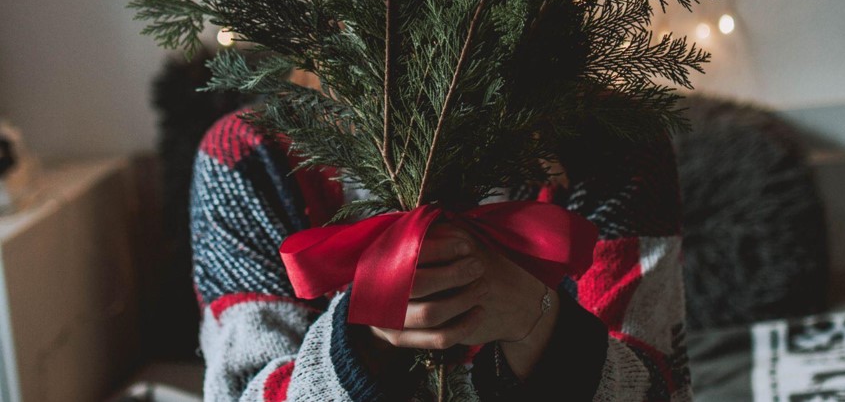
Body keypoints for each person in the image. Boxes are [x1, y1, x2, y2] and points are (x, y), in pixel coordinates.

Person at [190, 104, 693, 401]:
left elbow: (658, 387)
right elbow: (241, 390)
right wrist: (359, 345)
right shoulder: (249, 154)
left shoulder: (612, 138)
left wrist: (540, 324)